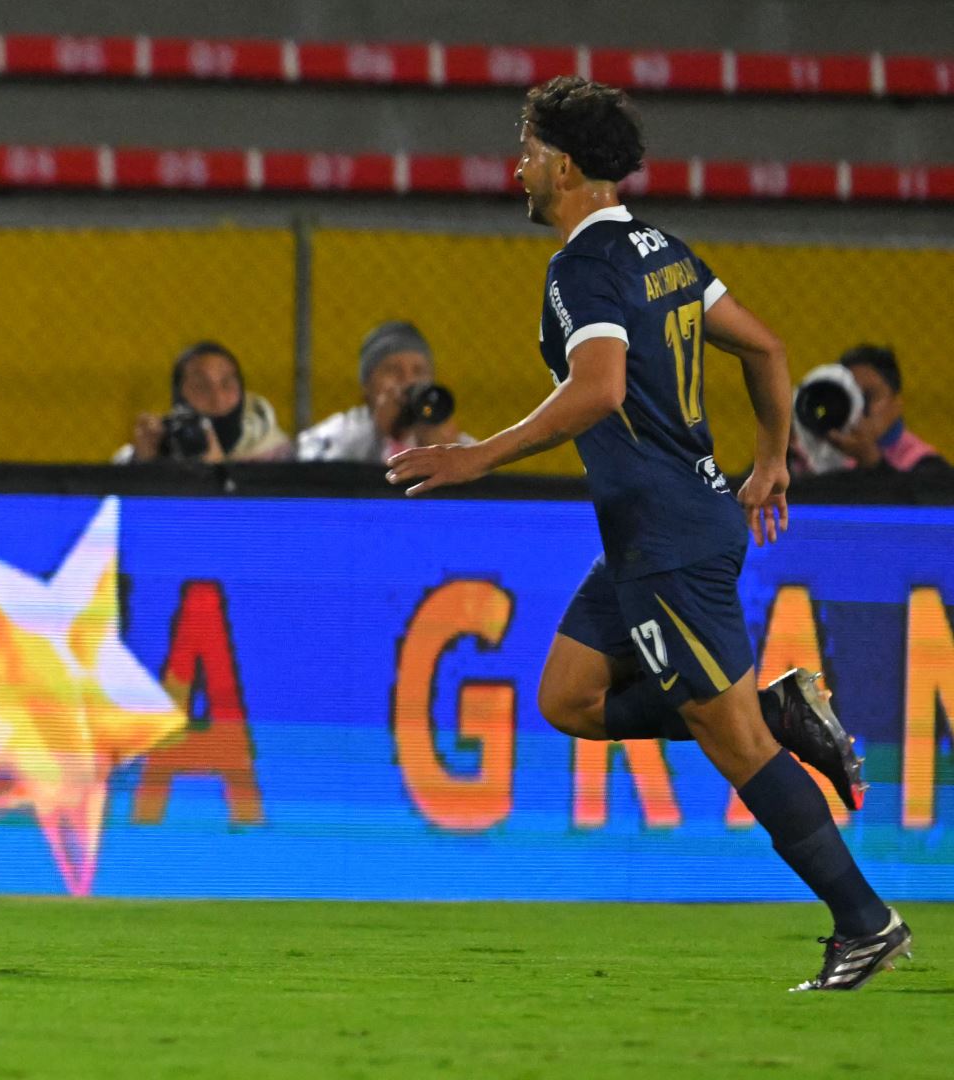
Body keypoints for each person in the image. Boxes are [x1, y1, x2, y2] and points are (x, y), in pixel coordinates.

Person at [385, 76, 910, 991]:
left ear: (566, 166)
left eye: (528, 149)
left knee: (737, 748)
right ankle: (779, 712)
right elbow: (767, 347)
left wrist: (478, 457)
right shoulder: (663, 250)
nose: (518, 167)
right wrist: (771, 460)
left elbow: (599, 388)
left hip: (669, 539)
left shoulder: (581, 268)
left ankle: (865, 923)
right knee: (569, 698)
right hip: (659, 530)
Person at [295, 320, 472, 462]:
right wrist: (376, 435)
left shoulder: (452, 440)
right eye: (393, 370)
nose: (408, 381)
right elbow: (309, 475)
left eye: (419, 371)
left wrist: (445, 457)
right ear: (366, 385)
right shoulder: (338, 434)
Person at [115, 340, 292, 463]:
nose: (217, 398)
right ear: (179, 395)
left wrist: (216, 473)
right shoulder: (164, 443)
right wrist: (143, 463)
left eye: (226, 384)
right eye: (201, 386)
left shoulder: (279, 456)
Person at [794, 345, 948, 475]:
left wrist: (871, 462)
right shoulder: (809, 456)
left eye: (867, 397)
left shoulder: (925, 467)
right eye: (850, 397)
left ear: (897, 404)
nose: (858, 408)